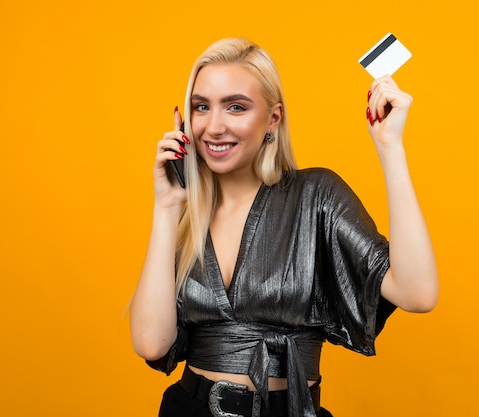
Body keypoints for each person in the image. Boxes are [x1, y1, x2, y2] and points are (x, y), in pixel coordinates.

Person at [129, 37, 438, 417]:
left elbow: (418, 293)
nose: (213, 126)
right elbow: (151, 344)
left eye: (236, 107)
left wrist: (390, 148)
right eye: (201, 107)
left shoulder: (315, 196)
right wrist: (166, 208)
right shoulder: (186, 214)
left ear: (273, 118)